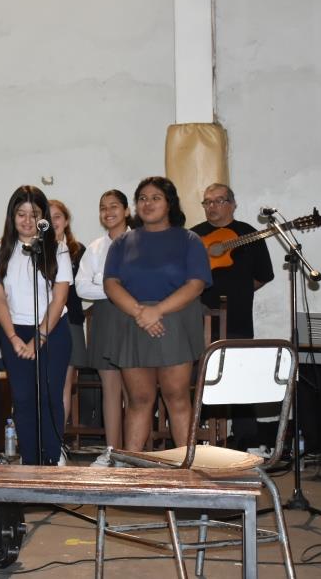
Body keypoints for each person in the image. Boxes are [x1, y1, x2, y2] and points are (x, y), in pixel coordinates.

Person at [104, 177, 212, 452]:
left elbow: (196, 283)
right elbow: (111, 283)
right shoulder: (122, 242)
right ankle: (132, 468)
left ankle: (186, 467)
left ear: (169, 204)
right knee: (139, 399)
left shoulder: (189, 240)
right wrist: (140, 312)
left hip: (174, 321)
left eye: (155, 198)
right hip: (134, 321)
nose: (147, 203)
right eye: (142, 198)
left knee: (176, 397)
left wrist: (157, 311)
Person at [0, 185, 72, 465]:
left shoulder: (56, 250)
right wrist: (13, 338)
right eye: (20, 214)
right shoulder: (0, 251)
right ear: (11, 217)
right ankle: (31, 461)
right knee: (22, 399)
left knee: (48, 396)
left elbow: (59, 298)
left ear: (42, 217)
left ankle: (52, 458)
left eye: (33, 214)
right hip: (15, 332)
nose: (26, 220)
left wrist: (40, 337)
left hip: (52, 330)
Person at [191, 182, 274, 448]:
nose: (212, 207)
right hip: (198, 318)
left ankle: (246, 439)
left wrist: (238, 292)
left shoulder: (249, 234)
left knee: (240, 376)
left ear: (233, 204)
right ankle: (197, 434)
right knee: (198, 374)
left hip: (237, 317)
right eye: (207, 202)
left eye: (218, 201)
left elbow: (263, 276)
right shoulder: (193, 237)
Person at [72, 190, 131, 465]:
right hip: (106, 318)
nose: (108, 212)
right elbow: (82, 286)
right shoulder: (95, 248)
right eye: (103, 207)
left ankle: (133, 452)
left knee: (136, 391)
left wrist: (103, 282)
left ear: (127, 211)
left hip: (134, 319)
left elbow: (141, 286)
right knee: (110, 388)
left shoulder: (139, 242)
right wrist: (114, 289)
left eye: (114, 206)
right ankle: (111, 451)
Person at [49, 200, 87, 440]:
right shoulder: (32, 249)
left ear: (66, 220)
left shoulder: (77, 250)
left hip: (69, 322)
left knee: (63, 384)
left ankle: (57, 441)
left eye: (58, 217)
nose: (53, 222)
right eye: (48, 217)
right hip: (37, 322)